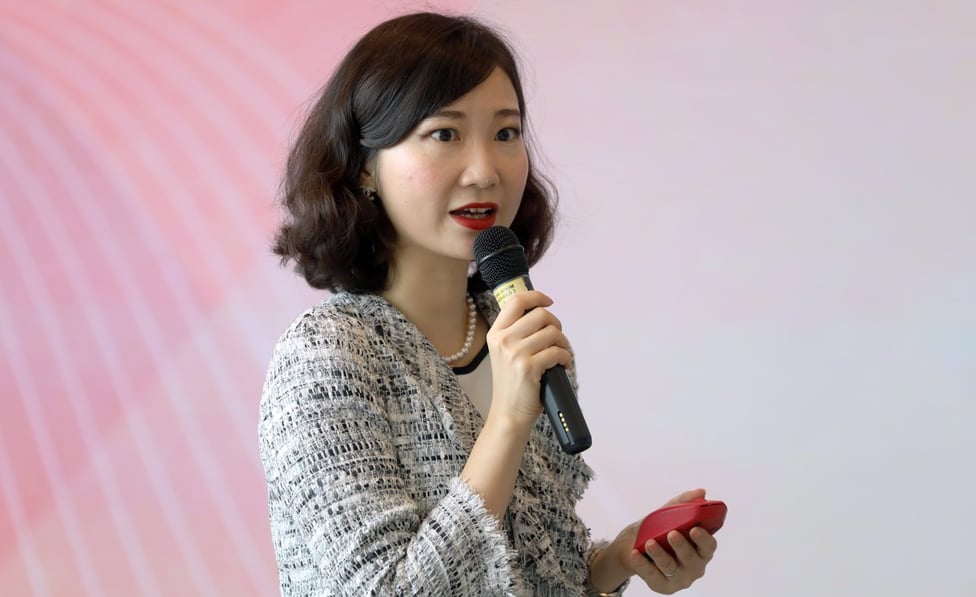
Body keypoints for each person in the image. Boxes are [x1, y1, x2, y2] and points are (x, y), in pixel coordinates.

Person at [259, 11, 718, 596]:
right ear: (364, 165)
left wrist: (613, 564)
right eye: (444, 134)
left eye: (505, 133)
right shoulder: (326, 361)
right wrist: (507, 419)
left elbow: (522, 574)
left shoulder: (515, 334)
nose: (485, 171)